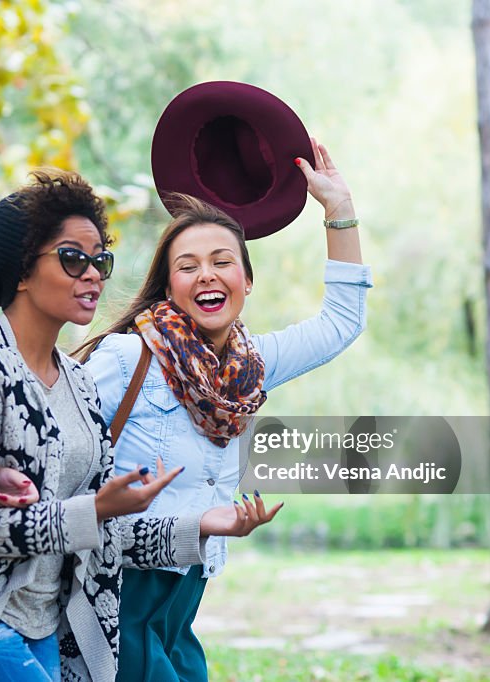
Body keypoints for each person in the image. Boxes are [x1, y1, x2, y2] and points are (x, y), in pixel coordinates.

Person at [0, 169, 280, 682]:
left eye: (100, 260)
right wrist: (93, 509)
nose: (93, 275)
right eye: (72, 258)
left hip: (55, 629)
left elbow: (104, 535)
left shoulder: (78, 385)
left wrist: (201, 527)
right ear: (19, 271)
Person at [77, 139, 372, 682]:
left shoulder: (251, 368)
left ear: (247, 282)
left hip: (186, 590)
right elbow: (63, 452)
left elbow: (341, 324)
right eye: (187, 266)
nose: (207, 275)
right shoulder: (127, 358)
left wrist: (339, 211)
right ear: (169, 287)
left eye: (222, 262)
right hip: (122, 588)